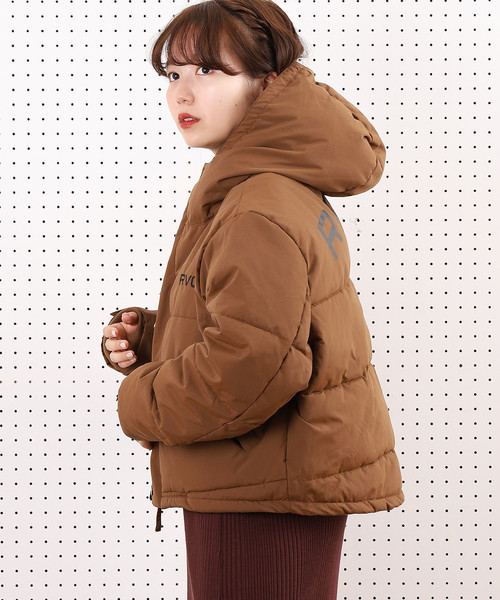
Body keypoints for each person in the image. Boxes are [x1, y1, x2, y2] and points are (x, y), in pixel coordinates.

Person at [101, 1, 404, 598]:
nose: (183, 92)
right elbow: (279, 331)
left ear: (266, 83)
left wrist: (140, 399)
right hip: (266, 479)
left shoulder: (256, 206)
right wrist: (159, 337)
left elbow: (253, 364)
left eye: (208, 70)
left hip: (258, 492)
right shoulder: (275, 187)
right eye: (173, 73)